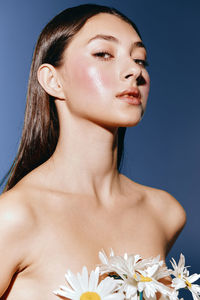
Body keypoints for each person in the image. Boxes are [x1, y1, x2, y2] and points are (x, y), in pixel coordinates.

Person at [0, 4, 186, 299]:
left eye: (140, 59)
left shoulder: (164, 213)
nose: (134, 70)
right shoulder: (15, 216)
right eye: (104, 54)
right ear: (52, 80)